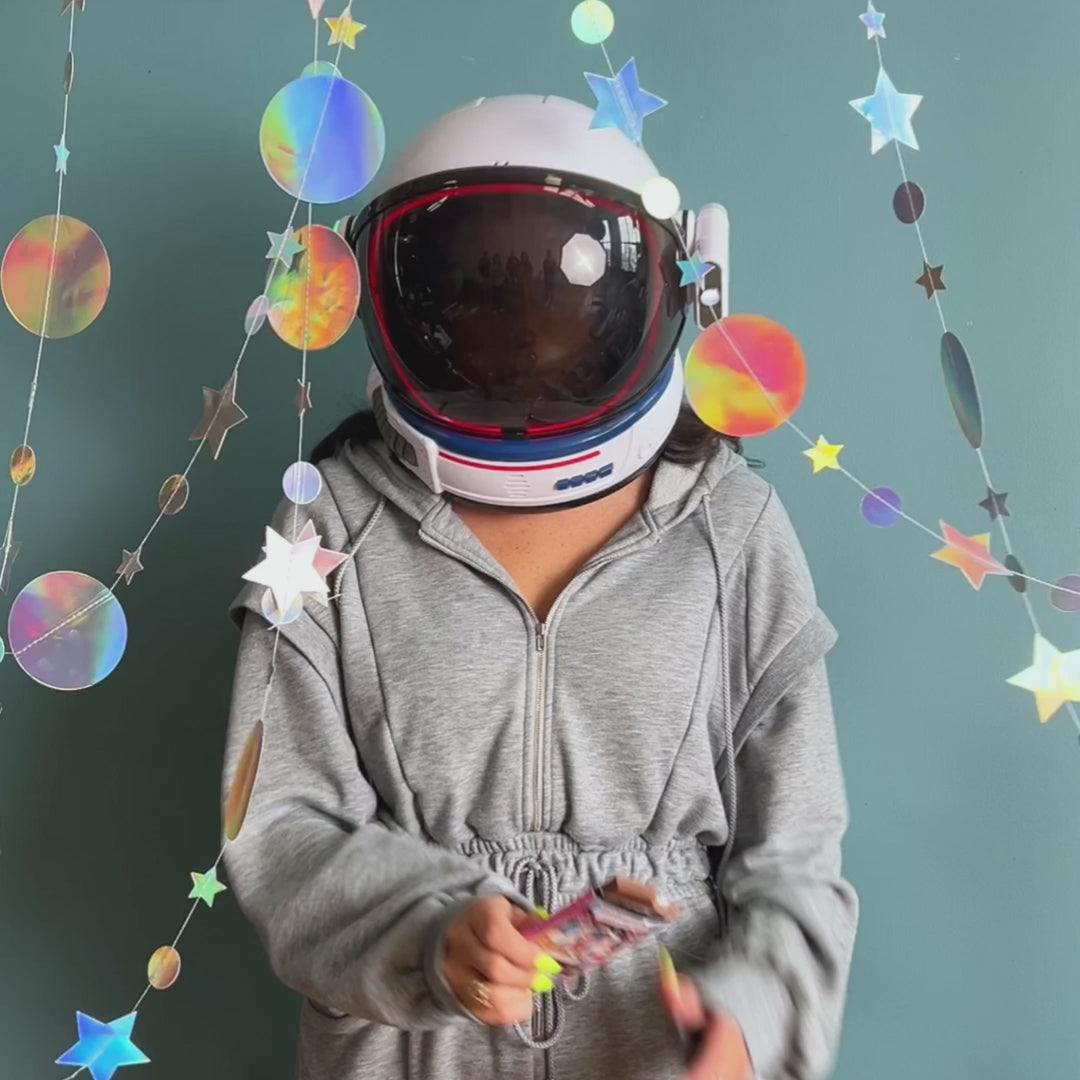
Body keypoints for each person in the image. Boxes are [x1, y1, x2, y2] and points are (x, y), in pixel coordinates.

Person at [222, 94, 857, 1080]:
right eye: (481, 288)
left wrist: (753, 1020)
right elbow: (278, 827)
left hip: (655, 1052)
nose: (526, 329)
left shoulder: (732, 531)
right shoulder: (322, 526)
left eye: (562, 284)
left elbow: (798, 853)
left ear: (678, 279)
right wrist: (432, 930)